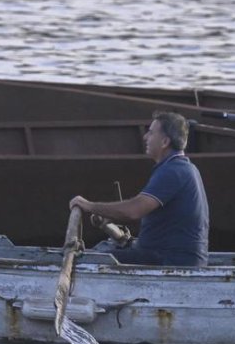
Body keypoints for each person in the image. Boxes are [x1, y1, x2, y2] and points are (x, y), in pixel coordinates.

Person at [69, 111, 209, 266]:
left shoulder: (173, 171)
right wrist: (110, 216)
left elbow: (134, 211)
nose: (145, 137)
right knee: (104, 249)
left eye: (150, 132)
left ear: (164, 142)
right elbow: (150, 213)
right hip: (168, 255)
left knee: (86, 261)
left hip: (170, 260)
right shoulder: (183, 167)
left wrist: (88, 206)